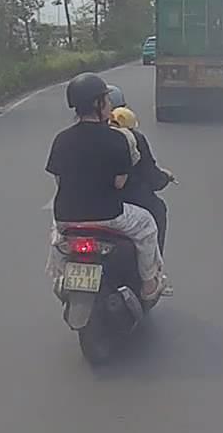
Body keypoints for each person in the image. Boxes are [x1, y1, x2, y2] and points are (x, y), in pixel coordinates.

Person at [46, 73, 167, 301]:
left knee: (56, 235)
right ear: (98, 103)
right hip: (109, 216)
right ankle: (149, 283)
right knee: (147, 225)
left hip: (66, 218)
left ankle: (59, 276)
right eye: (106, 99)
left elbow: (59, 180)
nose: (110, 105)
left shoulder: (61, 139)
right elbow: (119, 183)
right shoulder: (117, 139)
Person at [106, 86, 174, 255]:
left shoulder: (70, 138)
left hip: (77, 211)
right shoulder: (132, 138)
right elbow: (150, 176)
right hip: (124, 205)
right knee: (157, 209)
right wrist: (164, 177)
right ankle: (153, 267)